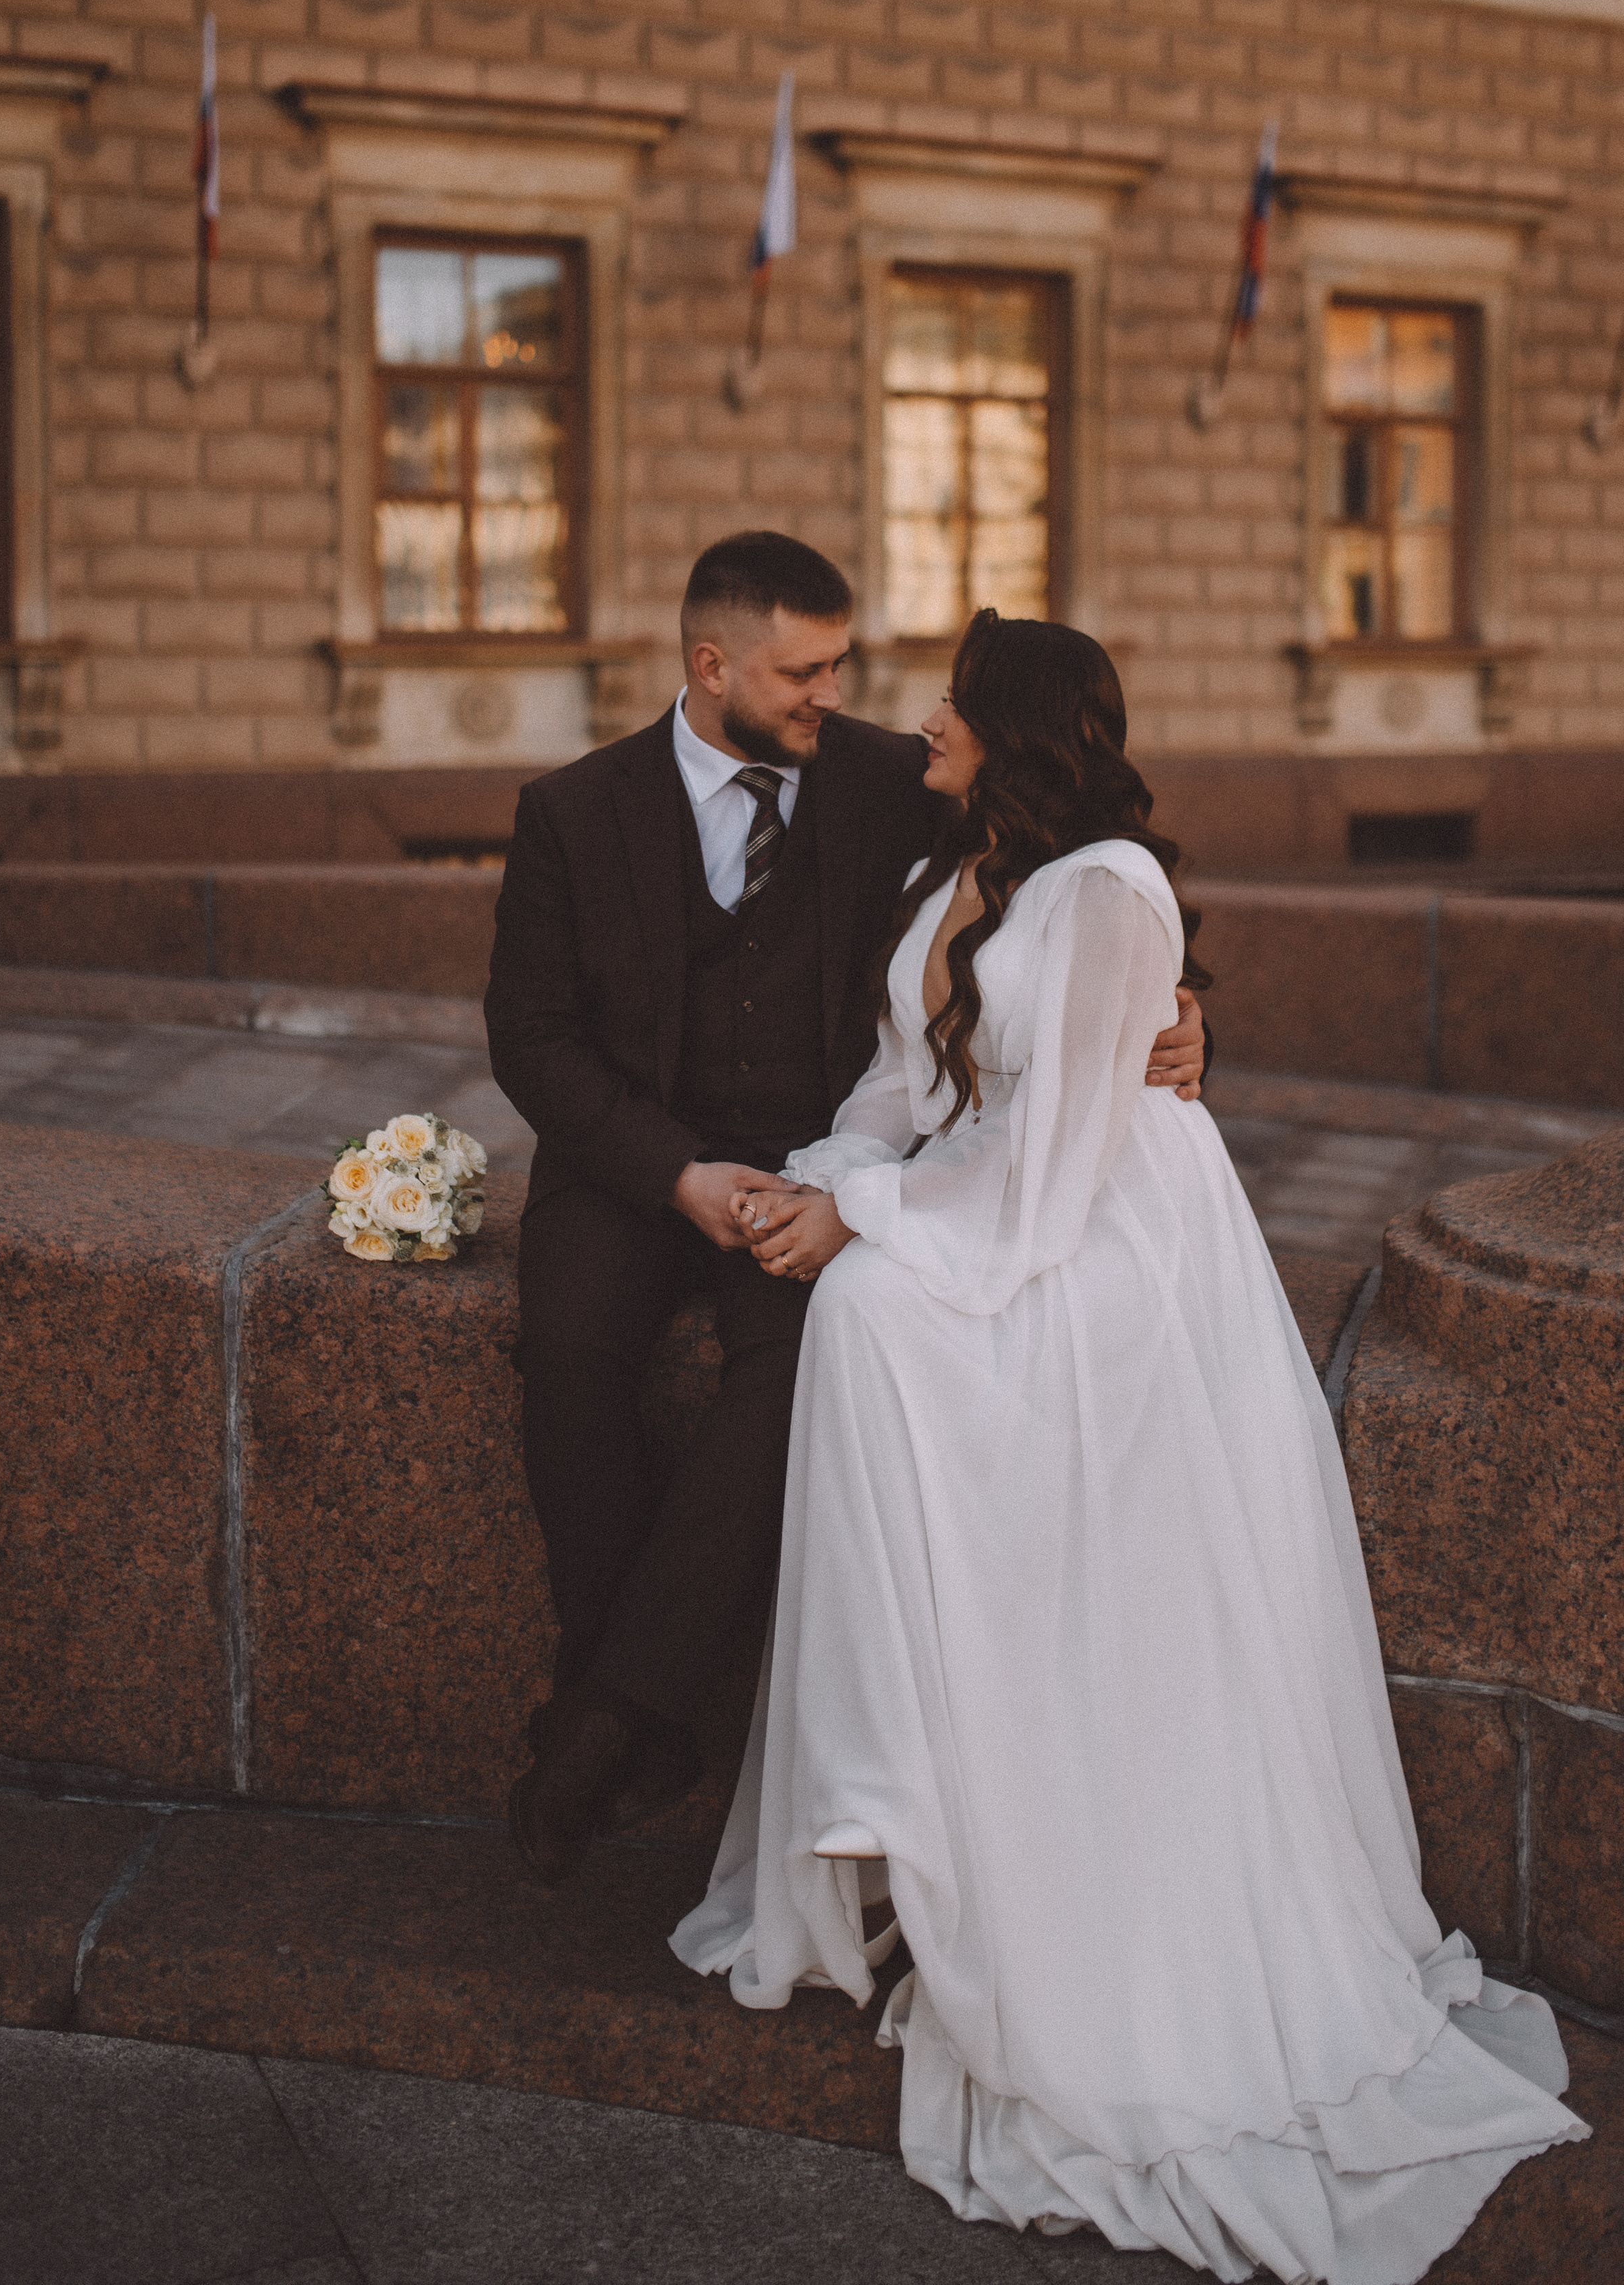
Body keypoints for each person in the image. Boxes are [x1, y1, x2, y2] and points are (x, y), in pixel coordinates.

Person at [673, 610, 1586, 2285]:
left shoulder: (1107, 889)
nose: (923, 722)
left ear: (1011, 730)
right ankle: (899, 1794)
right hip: (987, 1198)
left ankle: (953, 1826)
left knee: (874, 1323)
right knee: (858, 1317)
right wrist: (813, 1179)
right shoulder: (951, 867)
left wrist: (863, 1223)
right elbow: (900, 1088)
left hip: (1098, 1243)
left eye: (954, 703)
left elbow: (1048, 1167)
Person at [484, 538, 1207, 1885]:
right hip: (630, 1171)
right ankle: (623, 1701)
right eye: (803, 669)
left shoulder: (891, 777)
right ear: (712, 666)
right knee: (570, 1358)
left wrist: (1173, 1004)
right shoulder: (571, 811)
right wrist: (675, 1173)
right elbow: (528, 1037)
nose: (836, 690)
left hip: (822, 1160)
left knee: (790, 1371)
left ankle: (599, 1721)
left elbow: (1073, 878)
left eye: (842, 663)